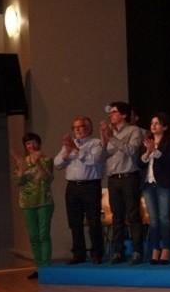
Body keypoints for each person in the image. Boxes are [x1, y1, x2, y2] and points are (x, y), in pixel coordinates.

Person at [54, 116, 104, 264]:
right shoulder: (69, 144)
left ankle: (97, 253)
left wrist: (76, 150)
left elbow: (93, 160)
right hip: (72, 187)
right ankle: (78, 254)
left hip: (90, 186)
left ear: (88, 128)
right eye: (74, 127)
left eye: (80, 126)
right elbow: (57, 164)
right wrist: (66, 152)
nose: (76, 129)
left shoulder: (96, 143)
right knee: (74, 222)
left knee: (93, 221)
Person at [100, 101, 144, 265]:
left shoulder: (134, 130)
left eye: (114, 112)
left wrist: (112, 138)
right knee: (117, 216)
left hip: (129, 177)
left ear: (124, 115)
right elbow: (102, 157)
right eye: (110, 112)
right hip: (113, 178)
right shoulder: (109, 132)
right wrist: (104, 139)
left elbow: (132, 150)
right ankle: (118, 251)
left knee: (133, 215)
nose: (111, 115)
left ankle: (137, 251)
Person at [12, 132, 54, 279]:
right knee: (33, 236)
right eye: (28, 143)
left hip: (44, 201)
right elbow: (18, 182)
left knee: (43, 234)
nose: (31, 145)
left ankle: (45, 267)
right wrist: (21, 168)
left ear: (39, 143)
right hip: (27, 202)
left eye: (33, 142)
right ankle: (38, 267)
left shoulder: (47, 159)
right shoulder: (22, 161)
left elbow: (47, 179)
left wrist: (37, 163)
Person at [140, 112, 170, 265]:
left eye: (157, 123)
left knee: (164, 218)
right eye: (152, 123)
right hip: (148, 184)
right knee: (153, 220)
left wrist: (155, 151)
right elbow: (139, 163)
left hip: (165, 184)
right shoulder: (146, 141)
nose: (153, 126)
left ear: (165, 126)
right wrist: (147, 152)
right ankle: (155, 249)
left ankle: (166, 249)